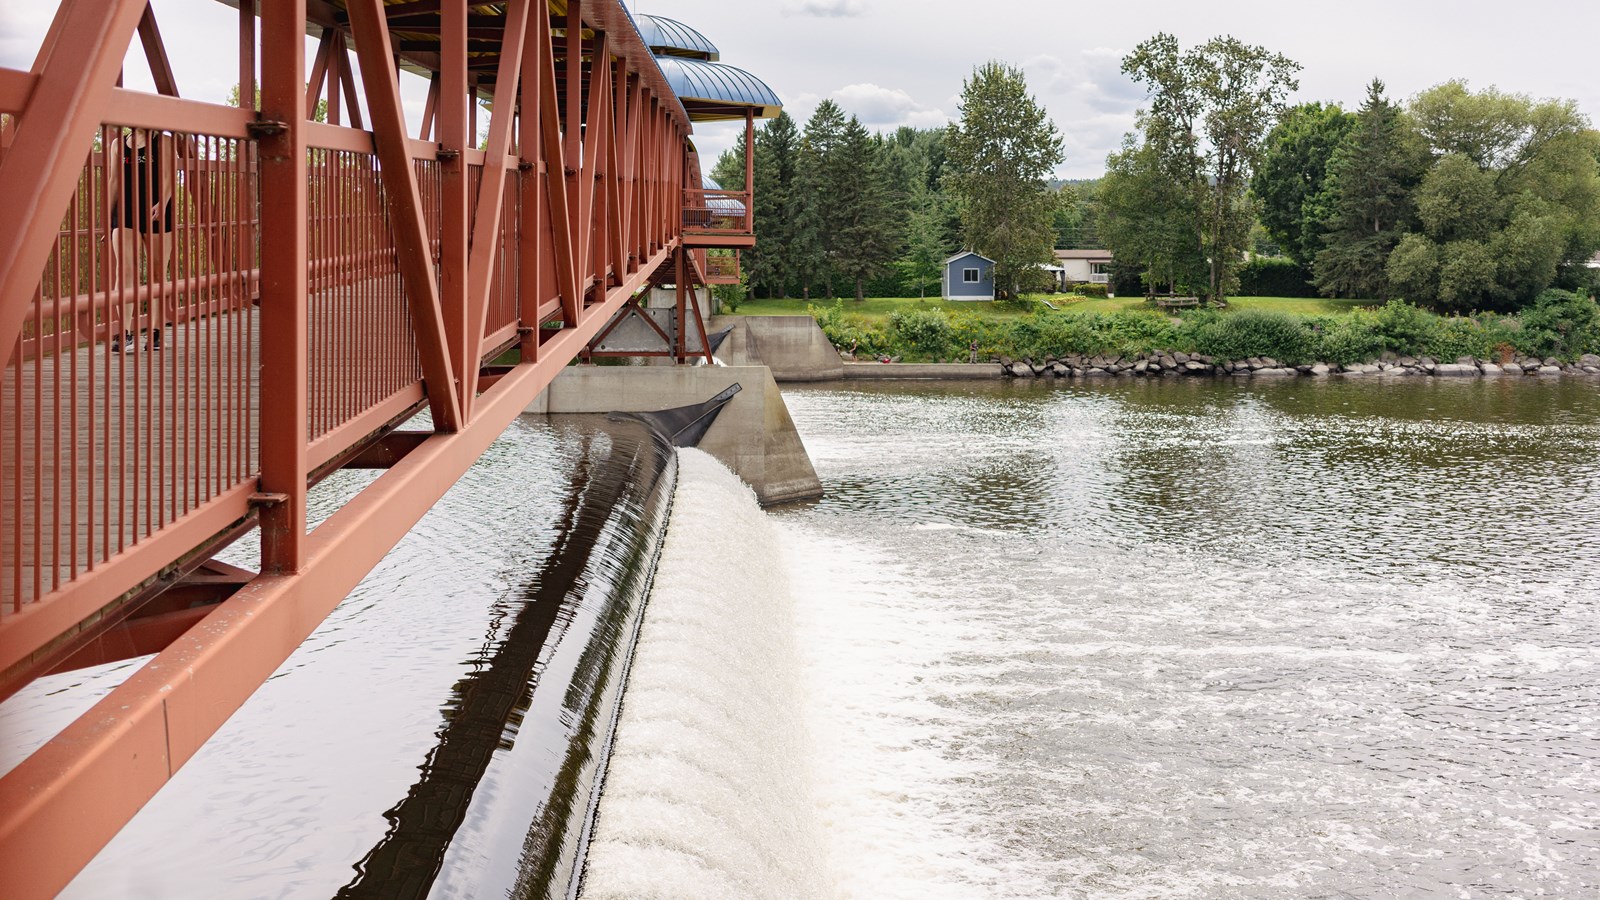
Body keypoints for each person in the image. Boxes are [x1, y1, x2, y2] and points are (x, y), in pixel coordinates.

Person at [108, 130, 175, 352]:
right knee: (125, 270)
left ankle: (155, 333)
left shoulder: (163, 141)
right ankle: (123, 332)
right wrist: (107, 219)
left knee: (157, 273)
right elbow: (114, 180)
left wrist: (162, 204)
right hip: (126, 210)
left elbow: (169, 176)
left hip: (157, 211)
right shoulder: (119, 144)